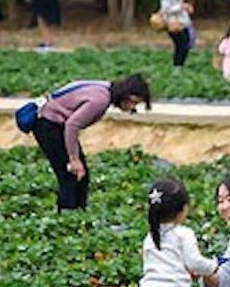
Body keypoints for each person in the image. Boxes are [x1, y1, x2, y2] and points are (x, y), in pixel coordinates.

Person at [32, 74, 151, 211]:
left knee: (81, 176)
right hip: (49, 126)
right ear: (124, 94)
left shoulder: (103, 87)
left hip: (55, 125)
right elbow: (72, 125)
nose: (132, 107)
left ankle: (79, 213)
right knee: (70, 176)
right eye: (132, 102)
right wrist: (74, 159)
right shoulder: (100, 100)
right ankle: (67, 217)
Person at [140, 178, 220, 287]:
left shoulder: (150, 236)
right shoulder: (183, 234)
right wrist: (213, 266)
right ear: (182, 210)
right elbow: (194, 263)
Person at [158, 0, 194, 68]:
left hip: (183, 23)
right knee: (181, 45)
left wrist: (187, 8)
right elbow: (165, 9)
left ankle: (180, 65)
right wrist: (181, 7)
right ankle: (177, 66)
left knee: (186, 44)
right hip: (172, 24)